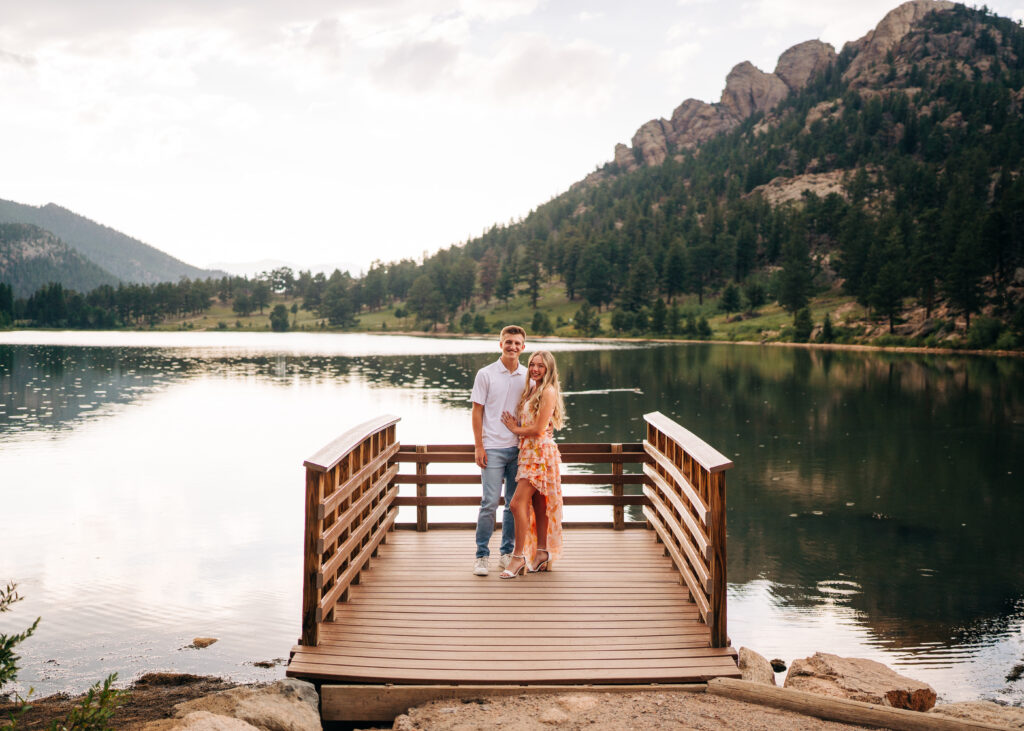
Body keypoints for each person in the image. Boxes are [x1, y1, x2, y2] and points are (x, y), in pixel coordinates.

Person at [498, 350, 565, 579]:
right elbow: (539, 424)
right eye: (533, 364)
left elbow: (538, 429)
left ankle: (518, 558)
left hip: (540, 453)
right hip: (528, 452)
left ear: (549, 369)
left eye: (541, 366)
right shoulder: (533, 389)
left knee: (516, 504)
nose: (535, 369)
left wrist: (515, 429)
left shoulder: (548, 390)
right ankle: (542, 553)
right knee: (539, 504)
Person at [470, 325, 528, 576]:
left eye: (517, 343)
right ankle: (481, 556)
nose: (512, 346)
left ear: (523, 347)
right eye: (508, 342)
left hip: (519, 449)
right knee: (489, 503)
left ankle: (507, 553)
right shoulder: (486, 374)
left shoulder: (529, 376)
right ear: (500, 344)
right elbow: (477, 411)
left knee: (514, 505)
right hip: (492, 447)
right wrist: (479, 445)